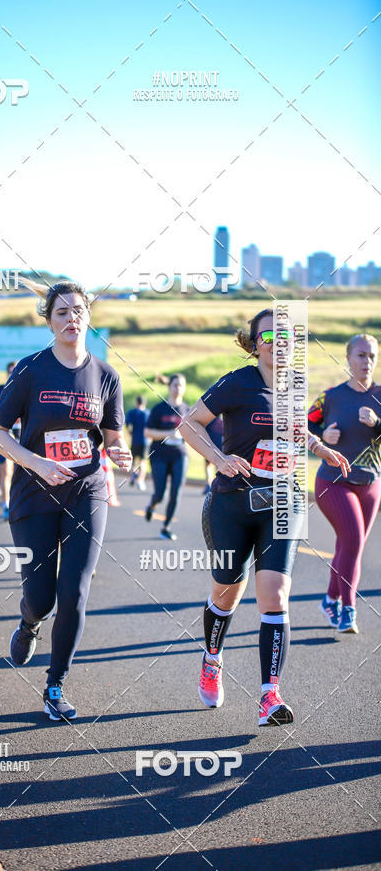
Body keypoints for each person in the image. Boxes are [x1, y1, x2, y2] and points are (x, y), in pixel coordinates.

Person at [179, 309, 349, 726]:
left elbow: (293, 430)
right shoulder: (237, 382)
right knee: (227, 593)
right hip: (233, 502)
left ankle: (269, 696)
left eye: (287, 334)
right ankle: (212, 658)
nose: (279, 340)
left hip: (285, 500)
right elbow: (190, 424)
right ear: (255, 343)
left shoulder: (296, 384)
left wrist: (318, 447)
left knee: (275, 595)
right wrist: (218, 458)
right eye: (269, 334)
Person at [0, 278, 132, 722]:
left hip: (87, 489)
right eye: (62, 312)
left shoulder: (106, 376)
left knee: (76, 590)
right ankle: (29, 622)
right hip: (34, 491)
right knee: (43, 596)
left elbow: (111, 438)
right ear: (49, 322)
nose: (72, 318)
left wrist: (119, 453)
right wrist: (37, 463)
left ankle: (55, 684)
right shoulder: (31, 369)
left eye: (78, 311)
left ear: (89, 317)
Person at [309, 334, 381, 634]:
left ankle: (329, 599)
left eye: (373, 356)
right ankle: (348, 610)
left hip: (371, 483)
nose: (368, 362)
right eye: (362, 355)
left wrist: (377, 424)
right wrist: (323, 436)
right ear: (349, 358)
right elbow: (305, 425)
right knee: (352, 541)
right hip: (333, 481)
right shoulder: (331, 396)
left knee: (349, 546)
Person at [144, 375, 189, 540]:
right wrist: (167, 434)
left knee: (176, 492)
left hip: (180, 454)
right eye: (175, 385)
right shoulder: (159, 409)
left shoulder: (187, 410)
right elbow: (147, 432)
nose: (178, 388)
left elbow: (194, 433)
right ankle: (152, 504)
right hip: (159, 454)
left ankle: (166, 527)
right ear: (169, 387)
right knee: (160, 493)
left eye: (181, 385)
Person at [0, 361, 19, 521]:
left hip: (24, 437)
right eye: (10, 371)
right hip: (5, 437)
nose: (12, 374)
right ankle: (6, 505)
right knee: (6, 470)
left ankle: (19, 503)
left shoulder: (29, 388)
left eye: (15, 371)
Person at [125, 396, 149, 490]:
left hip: (135, 440)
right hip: (145, 441)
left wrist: (130, 432)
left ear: (136, 402)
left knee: (134, 461)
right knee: (143, 461)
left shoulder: (132, 412)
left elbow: (127, 424)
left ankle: (133, 475)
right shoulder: (147, 413)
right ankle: (140, 480)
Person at [203, 415, 223, 494]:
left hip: (222, 447)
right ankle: (208, 484)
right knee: (208, 465)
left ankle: (217, 484)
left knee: (219, 466)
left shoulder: (230, 418)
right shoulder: (212, 418)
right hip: (211, 446)